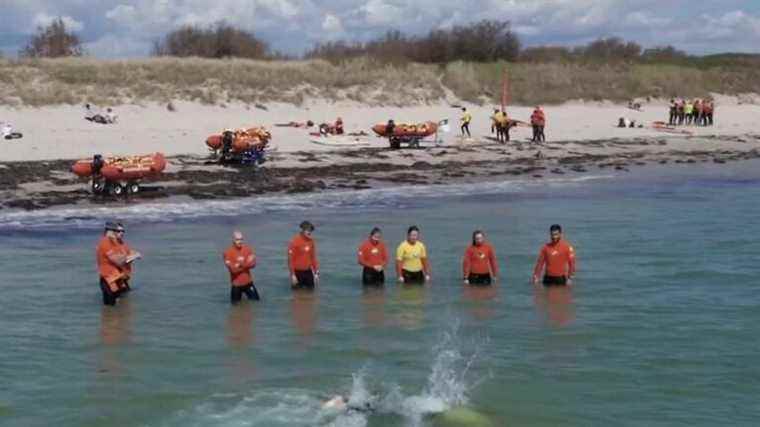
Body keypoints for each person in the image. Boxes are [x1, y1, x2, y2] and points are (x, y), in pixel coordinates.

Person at [96, 222, 141, 306]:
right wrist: (132, 257)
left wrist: (132, 255)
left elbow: (127, 253)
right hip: (109, 280)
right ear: (109, 231)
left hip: (119, 278)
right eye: (116, 231)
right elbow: (119, 261)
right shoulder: (105, 243)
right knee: (111, 309)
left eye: (122, 231)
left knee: (121, 308)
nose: (119, 233)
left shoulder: (117, 243)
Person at [223, 230, 260, 304]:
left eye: (241, 239)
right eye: (237, 239)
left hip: (248, 283)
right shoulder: (227, 252)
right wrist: (246, 264)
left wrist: (239, 264)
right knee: (235, 309)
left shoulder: (247, 249)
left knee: (257, 303)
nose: (240, 241)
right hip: (236, 285)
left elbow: (253, 264)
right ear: (233, 240)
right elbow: (233, 270)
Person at [288, 221, 320, 289]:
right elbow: (290, 260)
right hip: (297, 272)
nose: (309, 232)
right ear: (303, 230)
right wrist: (293, 275)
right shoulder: (295, 241)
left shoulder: (311, 241)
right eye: (308, 230)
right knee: (297, 296)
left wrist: (316, 272)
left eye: (311, 230)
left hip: (308, 272)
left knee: (311, 294)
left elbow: (313, 258)